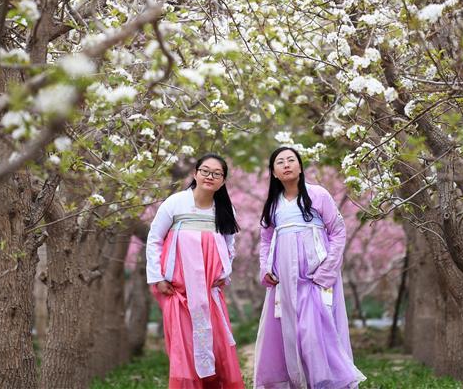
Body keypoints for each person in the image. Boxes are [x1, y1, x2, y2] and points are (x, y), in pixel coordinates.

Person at [254, 146, 365, 389]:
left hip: (315, 279)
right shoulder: (273, 205)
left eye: (291, 160)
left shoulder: (318, 194)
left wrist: (326, 272)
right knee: (291, 334)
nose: (286, 164)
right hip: (285, 281)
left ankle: (326, 383)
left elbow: (337, 231)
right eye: (280, 162)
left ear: (300, 166)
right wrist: (266, 269)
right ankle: (296, 383)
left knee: (315, 336)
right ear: (273, 173)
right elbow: (265, 240)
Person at [146, 154, 244, 389]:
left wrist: (224, 272)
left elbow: (230, 244)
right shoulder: (175, 203)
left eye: (217, 173)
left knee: (218, 346)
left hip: (211, 294)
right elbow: (154, 239)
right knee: (185, 349)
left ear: (223, 180)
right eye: (205, 171)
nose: (210, 177)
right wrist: (158, 277)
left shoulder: (225, 209)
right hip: (179, 294)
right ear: (195, 173)